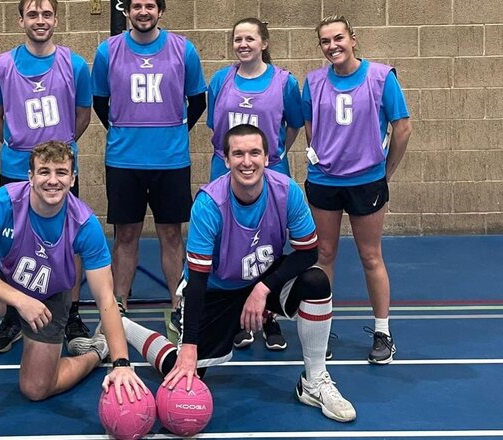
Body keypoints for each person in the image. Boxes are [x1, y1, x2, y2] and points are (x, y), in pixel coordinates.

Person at [121, 124, 356, 423]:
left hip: (261, 278)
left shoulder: (285, 191)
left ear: (267, 157)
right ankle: (121, 326)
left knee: (316, 281)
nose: (247, 161)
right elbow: (197, 280)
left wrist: (263, 289)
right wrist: (190, 347)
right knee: (182, 371)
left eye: (255, 152)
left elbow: (308, 251)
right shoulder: (209, 204)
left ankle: (315, 381)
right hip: (215, 288)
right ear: (226, 159)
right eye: (239, 154)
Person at [0, 141, 147, 440]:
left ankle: (94, 352)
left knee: (36, 389)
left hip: (51, 298)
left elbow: (105, 298)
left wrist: (122, 363)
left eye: (61, 172)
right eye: (44, 172)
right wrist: (19, 300)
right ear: (30, 176)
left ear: (73, 178)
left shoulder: (84, 224)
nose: (52, 180)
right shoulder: (2, 204)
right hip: (6, 284)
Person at [0, 0, 93, 354]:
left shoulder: (74, 64)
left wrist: (58, 151)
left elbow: (83, 114)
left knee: (69, 244)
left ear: (56, 19)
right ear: (21, 21)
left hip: (59, 171)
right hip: (16, 169)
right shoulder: (1, 66)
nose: (40, 20)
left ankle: (71, 312)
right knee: (11, 246)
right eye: (33, 14)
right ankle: (15, 314)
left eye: (46, 14)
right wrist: (21, 145)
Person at [302, 16, 412, 364]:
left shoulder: (381, 77)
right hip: (324, 181)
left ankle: (383, 332)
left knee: (370, 256)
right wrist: (322, 156)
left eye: (338, 38)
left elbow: (403, 128)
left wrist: (385, 171)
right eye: (325, 41)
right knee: (325, 256)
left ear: (353, 39)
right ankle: (321, 327)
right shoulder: (314, 81)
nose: (332, 45)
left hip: (366, 182)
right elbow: (309, 125)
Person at [91, 0, 207, 328]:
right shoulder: (107, 51)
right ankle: (118, 305)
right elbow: (100, 101)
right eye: (137, 5)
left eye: (150, 5)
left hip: (170, 161)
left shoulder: (183, 50)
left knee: (171, 233)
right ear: (126, 11)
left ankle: (178, 303)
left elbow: (197, 99)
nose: (144, 11)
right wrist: (124, 130)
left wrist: (174, 132)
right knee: (125, 233)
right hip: (124, 160)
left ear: (161, 10)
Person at [206, 17, 305, 351]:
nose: (243, 44)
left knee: (269, 244)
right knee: (227, 246)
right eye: (237, 39)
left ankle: (269, 314)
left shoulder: (284, 82)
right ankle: (235, 313)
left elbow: (293, 125)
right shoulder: (221, 80)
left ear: (264, 42)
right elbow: (214, 128)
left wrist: (271, 157)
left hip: (269, 172)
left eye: (250, 38)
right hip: (226, 172)